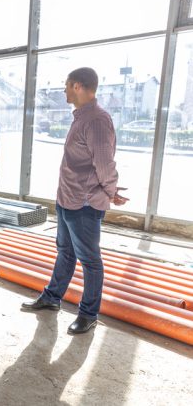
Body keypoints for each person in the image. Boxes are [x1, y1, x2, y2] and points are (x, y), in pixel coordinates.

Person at [21, 67, 128, 334]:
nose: (64, 90)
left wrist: (110, 191)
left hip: (85, 203)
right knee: (65, 252)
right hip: (68, 199)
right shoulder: (81, 117)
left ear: (78, 86)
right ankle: (52, 297)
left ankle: (88, 314)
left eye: (66, 85)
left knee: (90, 260)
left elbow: (105, 164)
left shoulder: (97, 120)